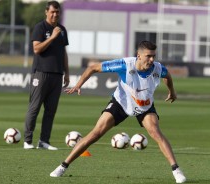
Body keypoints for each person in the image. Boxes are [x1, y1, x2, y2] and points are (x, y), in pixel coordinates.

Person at [50, 41, 186, 183]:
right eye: (148, 56)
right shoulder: (125, 65)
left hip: (144, 106)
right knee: (95, 134)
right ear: (138, 55)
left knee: (156, 133)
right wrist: (78, 85)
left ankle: (176, 170)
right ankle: (63, 166)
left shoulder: (158, 68)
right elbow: (93, 68)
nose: (152, 60)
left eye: (154, 56)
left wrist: (172, 92)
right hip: (121, 103)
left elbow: (167, 76)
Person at [23, 1, 70, 150]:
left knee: (50, 110)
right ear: (46, 12)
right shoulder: (40, 27)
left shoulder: (62, 29)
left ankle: (44, 141)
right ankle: (27, 141)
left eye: (57, 12)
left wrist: (67, 73)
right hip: (41, 73)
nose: (55, 14)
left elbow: (63, 53)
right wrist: (51, 37)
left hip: (57, 75)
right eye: (52, 12)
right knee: (35, 107)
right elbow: (36, 49)